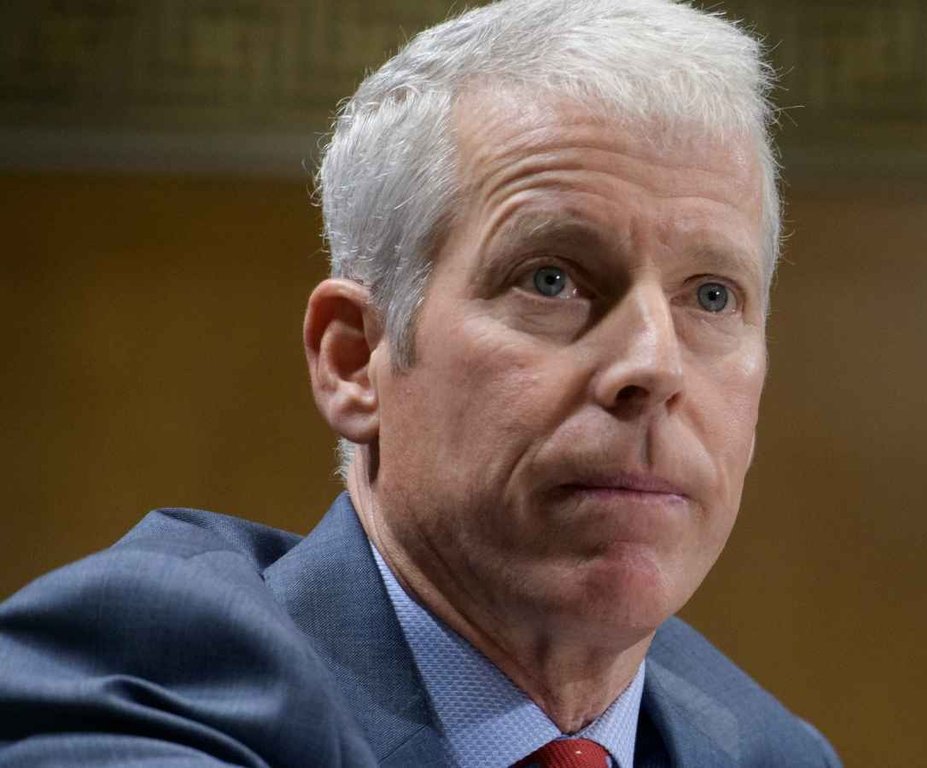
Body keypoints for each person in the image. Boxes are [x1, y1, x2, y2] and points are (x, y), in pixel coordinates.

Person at [0, 1, 840, 766]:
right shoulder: (151, 677)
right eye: (551, 279)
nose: (654, 366)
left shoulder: (771, 752)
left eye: (712, 296)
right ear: (355, 360)